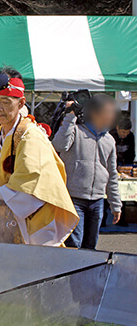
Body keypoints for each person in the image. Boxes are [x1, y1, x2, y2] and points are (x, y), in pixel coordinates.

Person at [0, 67, 79, 246]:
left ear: (20, 103)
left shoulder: (30, 136)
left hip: (35, 227)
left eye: (5, 101)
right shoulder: (2, 131)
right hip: (10, 222)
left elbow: (30, 192)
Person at [52, 93, 122, 249]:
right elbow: (58, 145)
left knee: (91, 246)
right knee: (74, 245)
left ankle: (87, 274)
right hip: (73, 198)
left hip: (97, 200)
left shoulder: (109, 140)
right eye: (107, 112)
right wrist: (70, 116)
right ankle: (71, 274)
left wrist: (116, 205)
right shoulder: (75, 131)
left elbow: (112, 175)